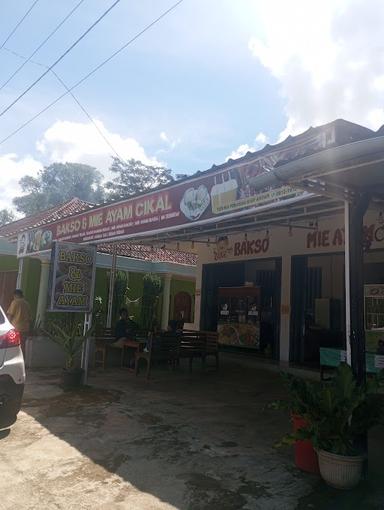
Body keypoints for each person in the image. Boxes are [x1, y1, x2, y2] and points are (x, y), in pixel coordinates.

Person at [7, 289, 32, 356]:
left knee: (14, 345)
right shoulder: (27, 303)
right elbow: (30, 318)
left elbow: (10, 315)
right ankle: (23, 360)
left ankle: (15, 360)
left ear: (16, 295)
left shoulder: (15, 302)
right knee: (23, 346)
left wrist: (7, 326)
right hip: (25, 328)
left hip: (16, 328)